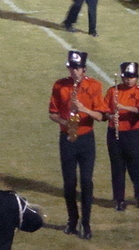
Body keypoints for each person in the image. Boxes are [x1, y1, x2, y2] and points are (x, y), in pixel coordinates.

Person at [48, 50, 108, 240]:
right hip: (67, 138)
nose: (74, 71)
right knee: (69, 183)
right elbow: (52, 113)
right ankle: (72, 220)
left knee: (87, 182)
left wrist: (83, 109)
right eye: (71, 67)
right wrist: (66, 123)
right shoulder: (59, 85)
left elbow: (101, 116)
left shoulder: (95, 85)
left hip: (86, 138)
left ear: (84, 68)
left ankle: (86, 222)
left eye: (78, 68)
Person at [104, 62, 139, 210]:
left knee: (136, 167)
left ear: (137, 77)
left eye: (132, 77)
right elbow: (103, 110)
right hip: (115, 133)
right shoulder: (113, 91)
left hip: (134, 134)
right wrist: (110, 116)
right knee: (117, 168)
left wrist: (122, 107)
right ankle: (118, 199)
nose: (128, 80)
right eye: (126, 77)